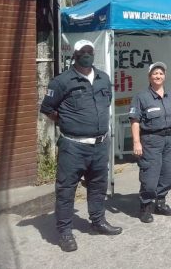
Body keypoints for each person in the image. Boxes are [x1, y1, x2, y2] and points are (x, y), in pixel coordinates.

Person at [40, 40, 122, 252]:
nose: (87, 54)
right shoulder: (61, 82)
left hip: (100, 145)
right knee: (66, 190)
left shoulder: (104, 78)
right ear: (74, 54)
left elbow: (106, 102)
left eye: (90, 51)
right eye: (82, 52)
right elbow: (47, 108)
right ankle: (65, 232)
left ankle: (98, 221)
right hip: (73, 147)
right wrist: (67, 121)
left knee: (97, 186)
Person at [129, 62, 171, 223]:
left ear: (165, 76)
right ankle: (145, 206)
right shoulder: (141, 97)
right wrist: (136, 142)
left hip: (170, 140)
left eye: (161, 73)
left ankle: (160, 202)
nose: (158, 76)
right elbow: (135, 120)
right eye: (155, 73)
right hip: (151, 140)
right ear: (149, 76)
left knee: (168, 175)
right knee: (150, 178)